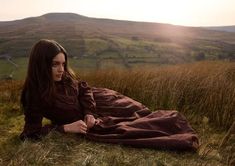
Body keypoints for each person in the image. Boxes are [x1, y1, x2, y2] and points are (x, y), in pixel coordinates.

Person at [20, 39, 199, 151]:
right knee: (141, 125)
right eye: (55, 64)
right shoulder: (35, 95)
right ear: (41, 65)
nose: (61, 70)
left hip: (100, 100)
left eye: (63, 64)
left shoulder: (64, 78)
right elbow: (30, 133)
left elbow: (83, 89)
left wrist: (89, 112)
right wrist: (65, 128)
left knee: (141, 111)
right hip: (95, 119)